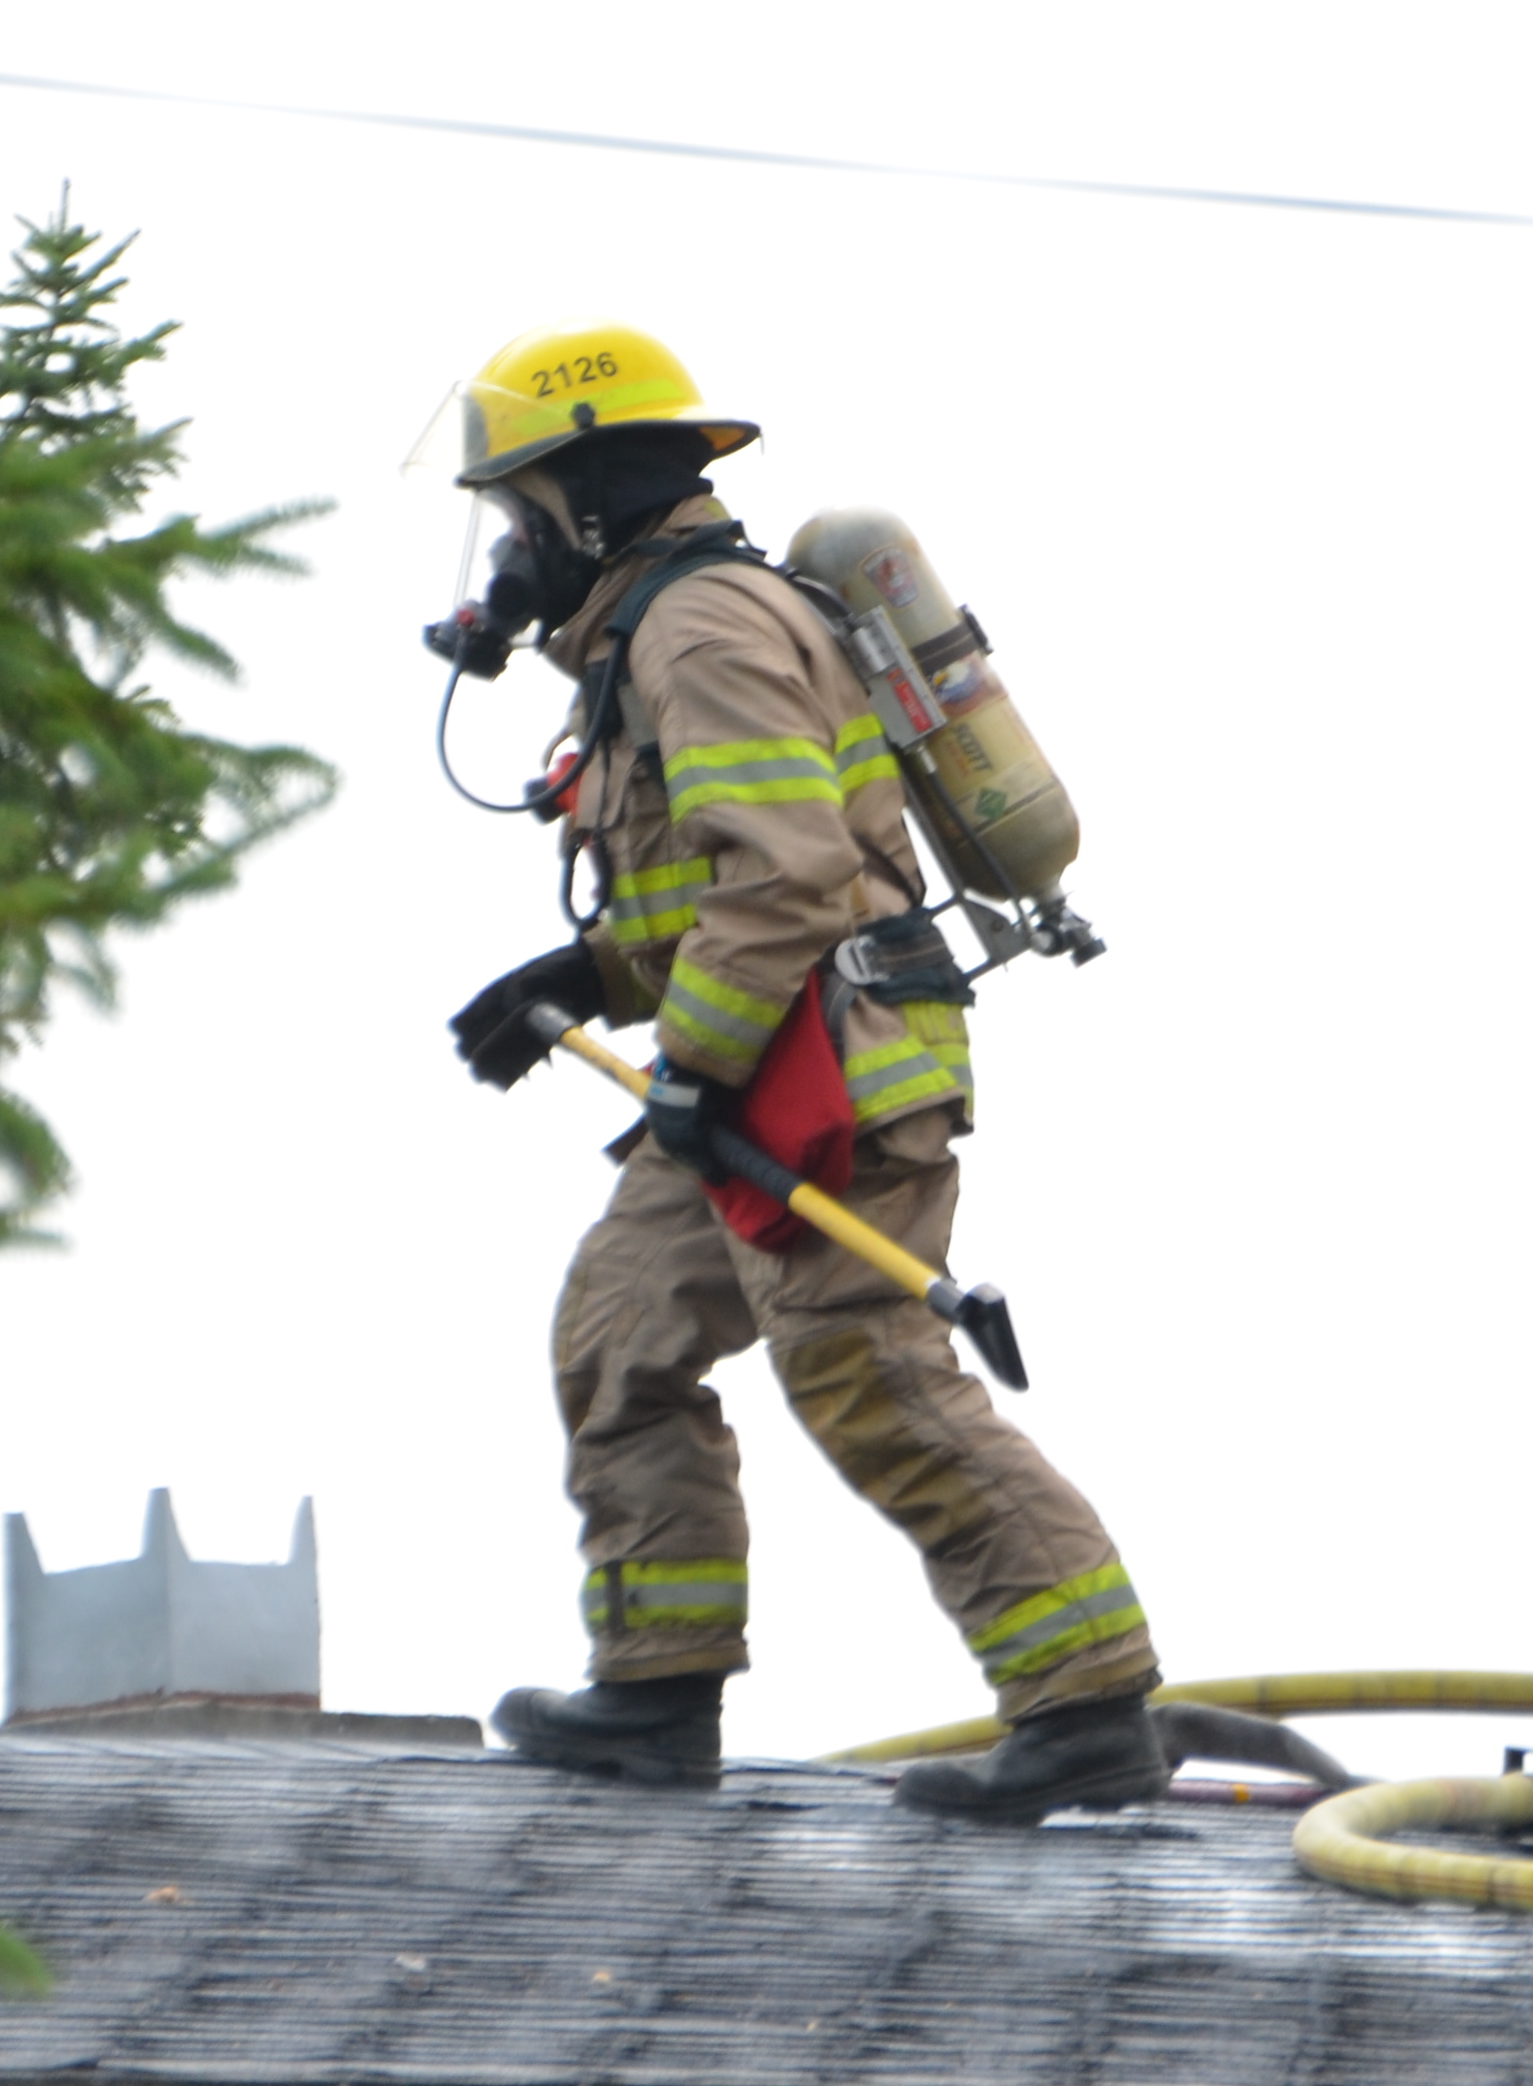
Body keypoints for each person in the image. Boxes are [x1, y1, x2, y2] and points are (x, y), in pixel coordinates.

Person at [429, 323, 1166, 1820]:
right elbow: (715, 896)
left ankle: (1086, 1700)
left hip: (831, 1072)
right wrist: (575, 982)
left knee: (871, 1373)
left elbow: (788, 878)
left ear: (583, 504)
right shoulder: (653, 640)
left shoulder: (700, 633)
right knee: (623, 1333)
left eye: (518, 517)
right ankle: (655, 1687)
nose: (507, 555)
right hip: (756, 1060)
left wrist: (686, 1061)